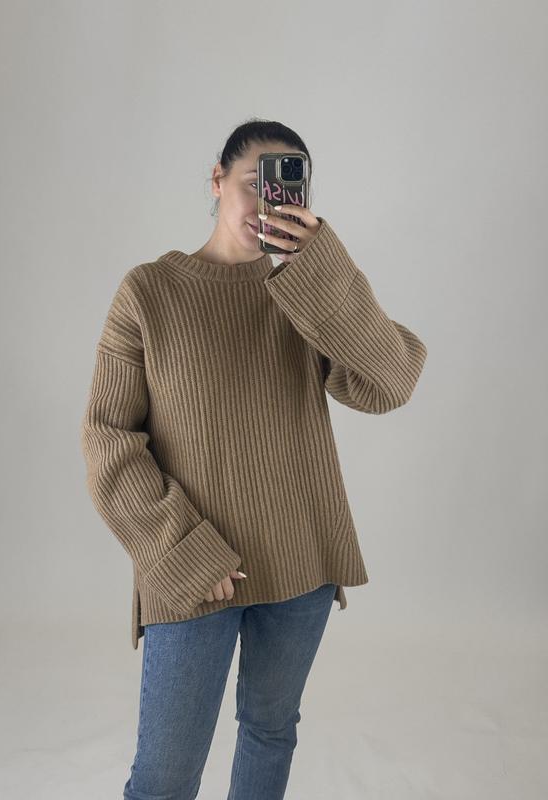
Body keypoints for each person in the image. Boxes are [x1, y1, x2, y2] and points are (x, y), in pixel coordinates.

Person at [80, 118, 428, 800]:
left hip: (300, 565)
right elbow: (108, 438)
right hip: (195, 571)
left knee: (270, 733)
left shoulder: (307, 298)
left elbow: (391, 382)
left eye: (286, 190)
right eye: (254, 183)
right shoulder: (148, 291)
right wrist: (182, 550)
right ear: (217, 181)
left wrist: (321, 267)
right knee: (165, 776)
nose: (268, 203)